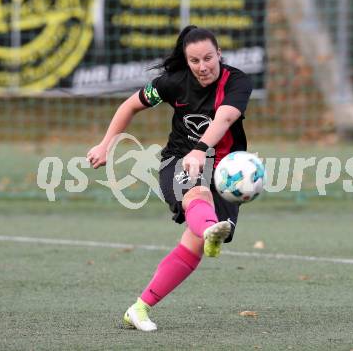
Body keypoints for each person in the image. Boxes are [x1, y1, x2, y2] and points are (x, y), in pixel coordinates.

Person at [86, 25, 252, 332]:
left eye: (208, 58)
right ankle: (208, 228)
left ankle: (138, 308)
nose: (202, 67)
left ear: (219, 54)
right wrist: (105, 144)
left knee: (194, 246)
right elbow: (130, 105)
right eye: (194, 61)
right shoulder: (173, 83)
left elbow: (225, 117)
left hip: (225, 169)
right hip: (177, 160)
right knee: (197, 196)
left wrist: (203, 149)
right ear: (186, 62)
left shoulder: (238, 81)